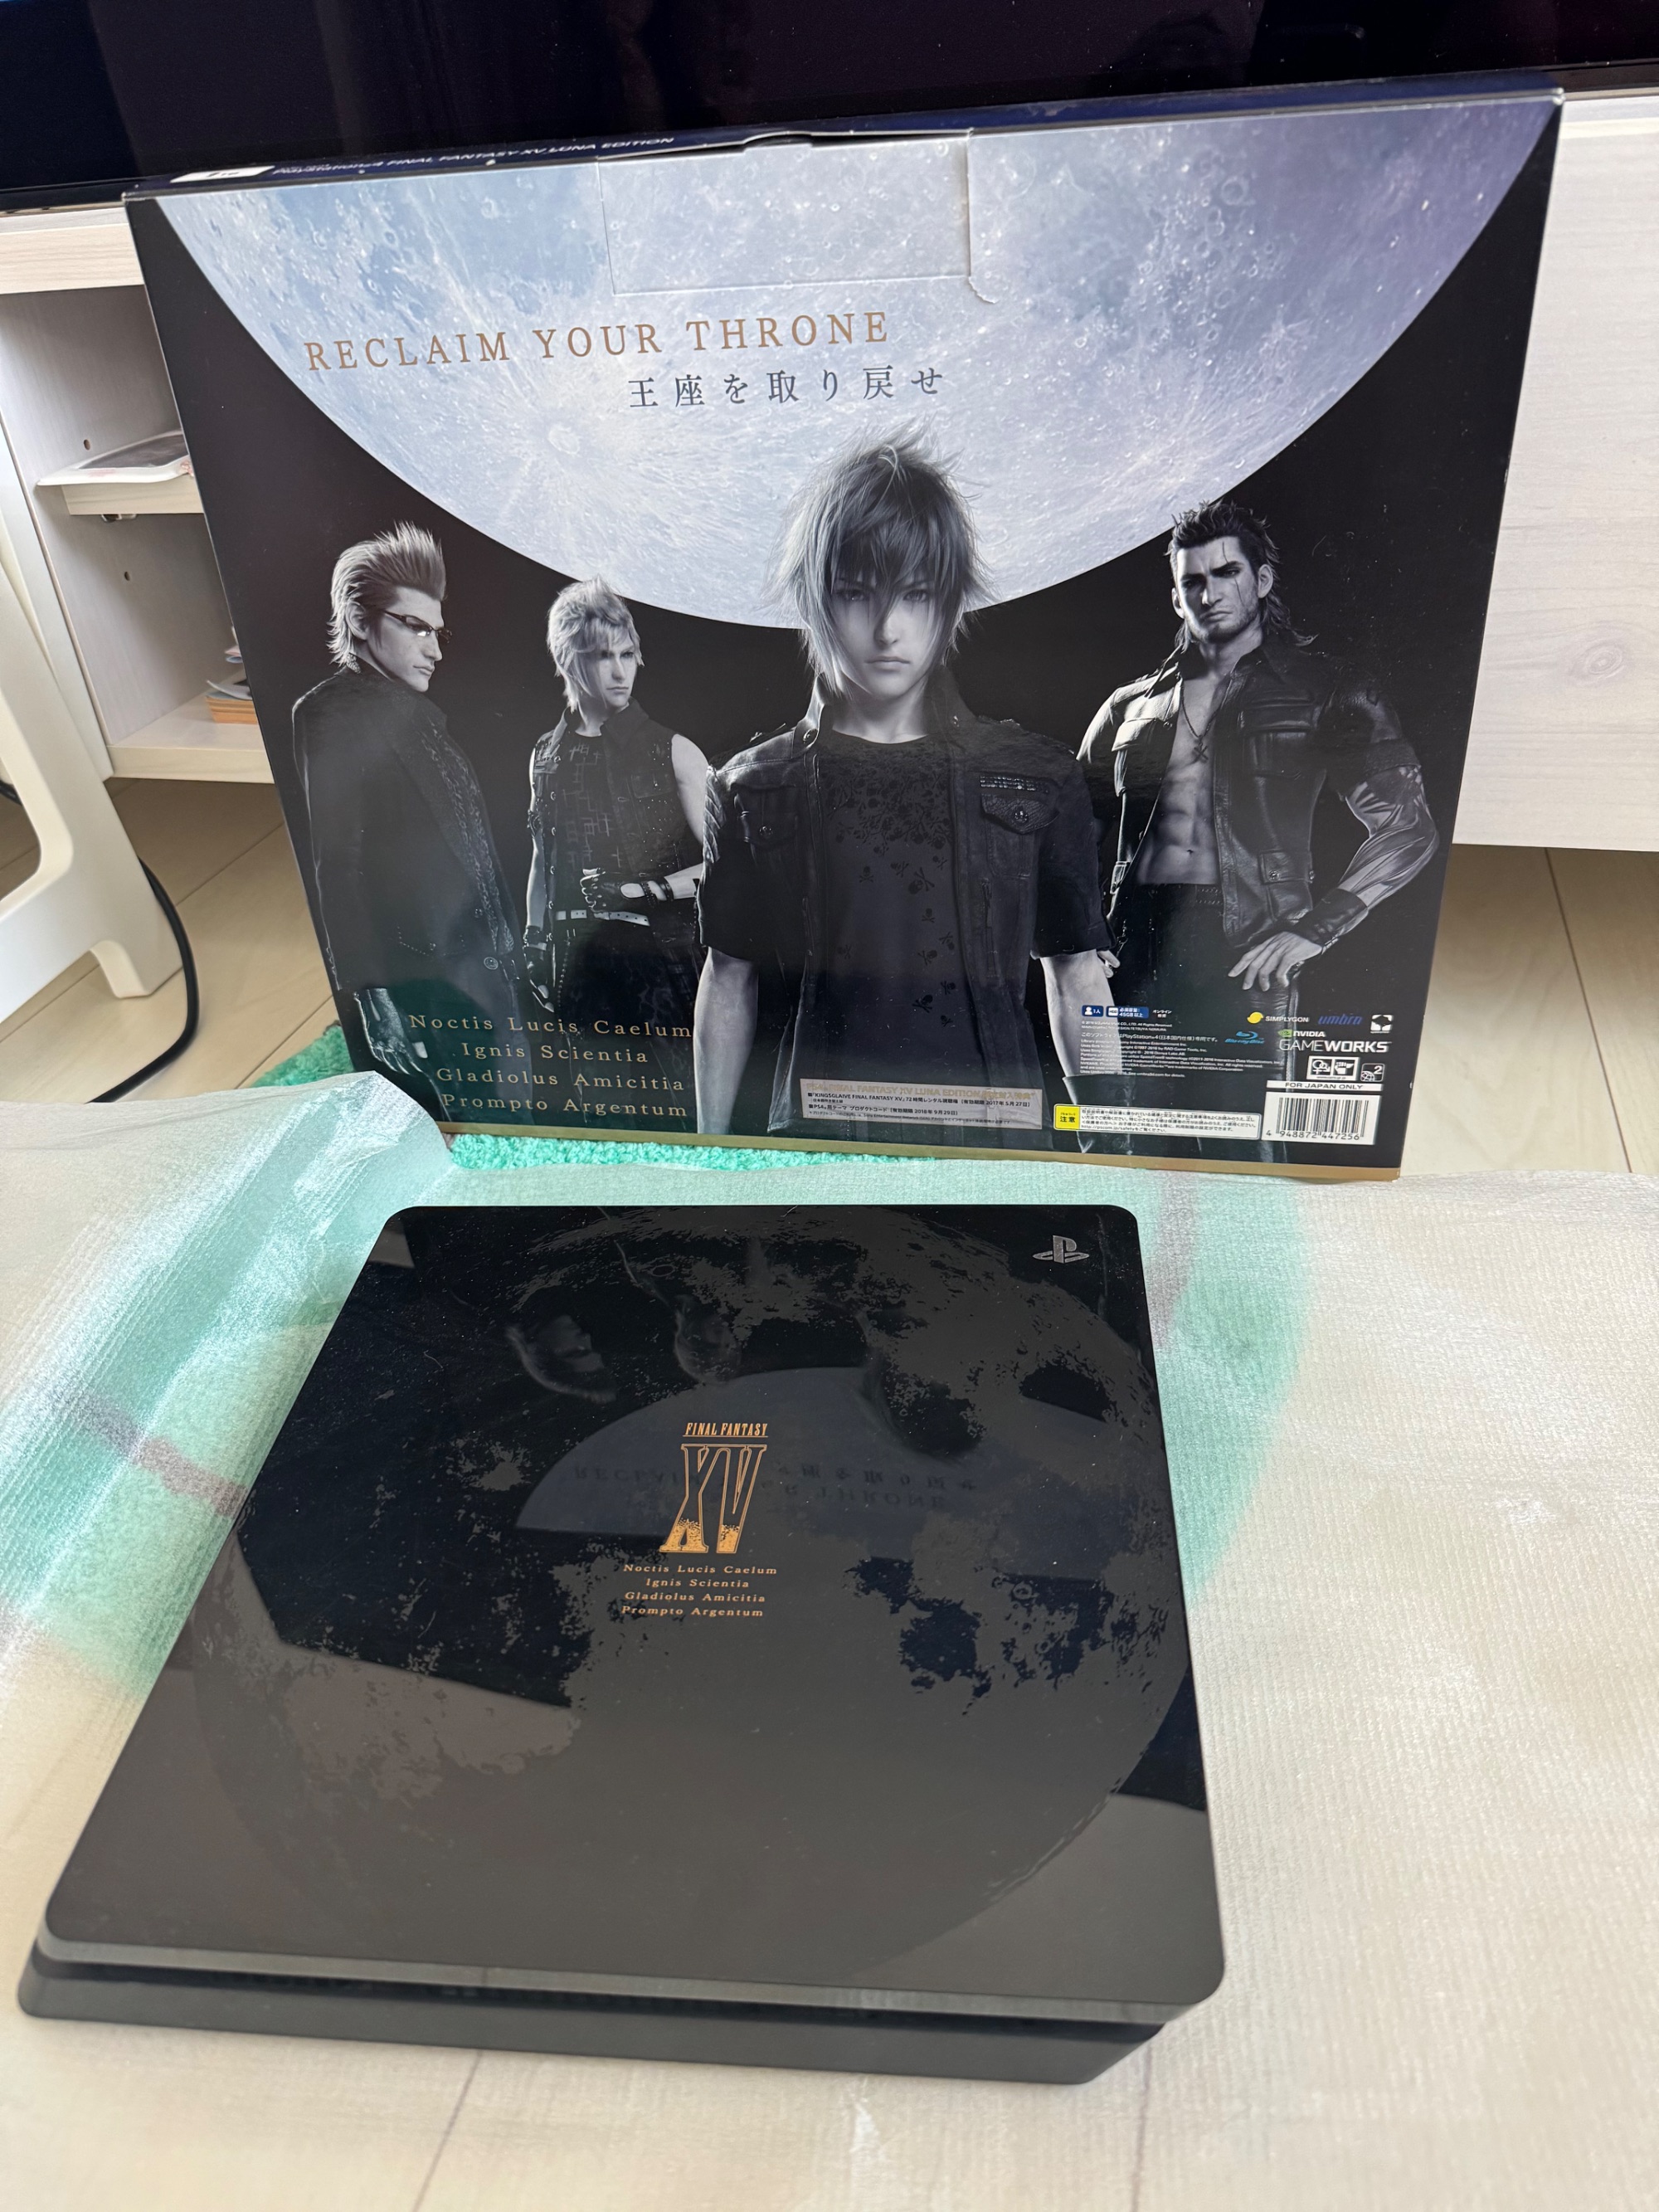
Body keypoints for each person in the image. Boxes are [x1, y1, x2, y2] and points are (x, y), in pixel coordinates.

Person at [694, 436, 1113, 1149]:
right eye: (857, 593)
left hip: (998, 1142)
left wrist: (1109, 1140)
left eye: (915, 595)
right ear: (816, 601)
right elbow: (728, 978)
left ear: (949, 602)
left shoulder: (1038, 774)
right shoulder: (752, 785)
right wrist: (709, 1155)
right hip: (824, 1141)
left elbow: (1077, 976)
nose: (888, 629)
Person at [1078, 498, 1438, 1153]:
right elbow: (1066, 835)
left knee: (1243, 1143)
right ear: (1176, 597)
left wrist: (1314, 929)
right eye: (1193, 581)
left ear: (1262, 580)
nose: (1210, 593)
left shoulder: (1326, 689)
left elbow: (1408, 826)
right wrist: (1080, 930)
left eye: (1227, 573)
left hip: (1249, 941)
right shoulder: (1129, 706)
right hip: (1133, 941)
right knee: (1122, 1139)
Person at [290, 523, 528, 1121]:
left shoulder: (415, 714)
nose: (436, 649)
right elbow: (336, 863)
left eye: (437, 631)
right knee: (479, 1125)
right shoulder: (333, 712)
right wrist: (373, 997)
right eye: (415, 627)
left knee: (517, 1119)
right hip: (428, 975)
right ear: (359, 620)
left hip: (483, 963)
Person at [523, 580, 710, 1128]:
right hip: (579, 965)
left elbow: (729, 866)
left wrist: (643, 890)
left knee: (680, 1111)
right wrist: (534, 943)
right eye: (603, 656)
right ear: (568, 659)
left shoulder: (674, 751)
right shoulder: (545, 756)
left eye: (627, 654)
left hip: (663, 962)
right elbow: (541, 859)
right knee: (601, 1117)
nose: (620, 671)